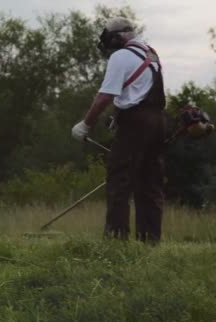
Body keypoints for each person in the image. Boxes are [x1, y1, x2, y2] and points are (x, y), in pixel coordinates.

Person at [71, 17, 167, 243]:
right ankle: (150, 242)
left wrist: (86, 124)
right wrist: (118, 116)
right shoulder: (151, 54)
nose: (109, 47)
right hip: (158, 121)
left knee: (119, 181)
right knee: (150, 183)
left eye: (110, 41)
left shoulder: (120, 56)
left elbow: (105, 96)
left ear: (119, 37)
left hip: (136, 124)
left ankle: (116, 241)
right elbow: (139, 92)